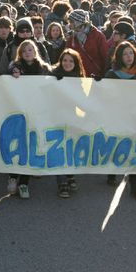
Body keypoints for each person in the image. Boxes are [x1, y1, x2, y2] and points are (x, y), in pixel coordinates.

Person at [6, 39, 52, 199]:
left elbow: (53, 81)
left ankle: (24, 183)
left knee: (31, 145)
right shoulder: (16, 67)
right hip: (19, 112)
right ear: (20, 53)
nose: (27, 53)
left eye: (30, 50)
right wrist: (13, 74)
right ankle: (13, 177)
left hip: (37, 113)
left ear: (35, 52)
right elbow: (9, 73)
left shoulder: (44, 68)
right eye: (24, 50)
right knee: (17, 144)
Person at [104, 41, 136, 199]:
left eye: (131, 53)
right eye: (125, 54)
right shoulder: (112, 74)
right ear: (119, 57)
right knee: (117, 146)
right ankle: (111, 173)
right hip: (117, 116)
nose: (129, 57)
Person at [51, 48, 85, 198]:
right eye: (64, 60)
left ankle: (70, 175)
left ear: (76, 63)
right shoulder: (52, 75)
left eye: (71, 61)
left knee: (70, 148)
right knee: (59, 149)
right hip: (56, 117)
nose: (67, 63)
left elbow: (85, 99)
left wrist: (97, 84)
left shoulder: (80, 77)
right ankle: (61, 182)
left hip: (72, 117)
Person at [66, 9, 108, 78]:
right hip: (77, 76)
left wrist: (103, 75)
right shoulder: (72, 37)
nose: (69, 24)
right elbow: (67, 55)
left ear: (78, 22)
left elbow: (105, 57)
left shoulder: (97, 36)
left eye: (71, 22)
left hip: (95, 76)